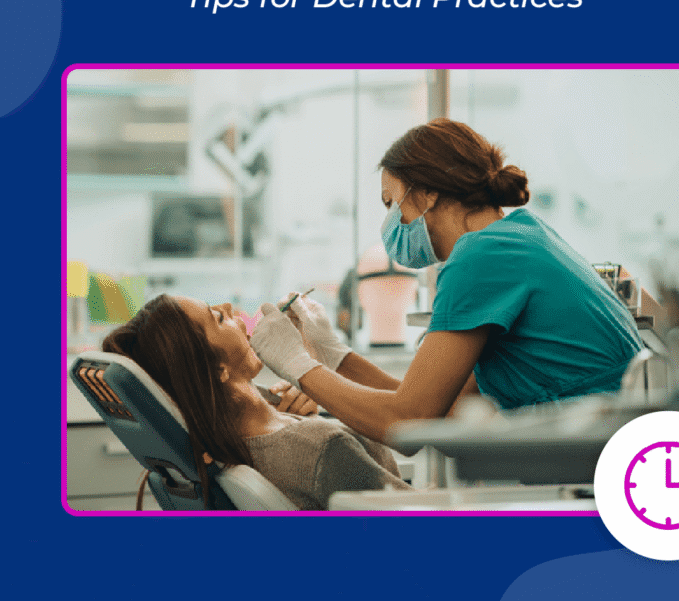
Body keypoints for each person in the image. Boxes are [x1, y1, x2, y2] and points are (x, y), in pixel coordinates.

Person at [251, 118, 645, 445]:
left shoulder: (481, 256)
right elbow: (437, 403)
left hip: (596, 455)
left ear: (428, 194)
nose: (389, 223)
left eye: (391, 203)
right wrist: (333, 355)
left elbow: (407, 421)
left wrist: (297, 365)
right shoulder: (522, 235)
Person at [101, 294, 411, 510]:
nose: (229, 308)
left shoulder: (230, 445)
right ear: (218, 369)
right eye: (219, 318)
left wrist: (316, 380)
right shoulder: (321, 447)